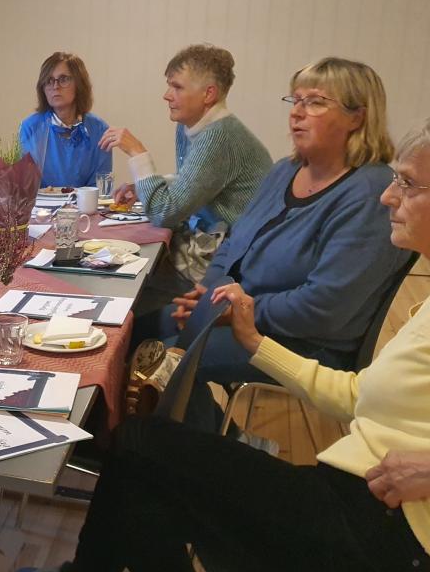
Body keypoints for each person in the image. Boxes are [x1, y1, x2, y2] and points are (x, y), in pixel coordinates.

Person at [12, 121, 430, 572]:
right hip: (353, 499)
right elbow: (359, 395)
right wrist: (256, 343)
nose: (387, 196)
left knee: (138, 448)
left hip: (393, 553)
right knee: (143, 485)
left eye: (407, 184)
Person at [159, 57, 412, 441]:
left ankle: (212, 456)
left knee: (165, 361)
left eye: (316, 102)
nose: (297, 112)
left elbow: (325, 309)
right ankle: (218, 439)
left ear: (357, 117)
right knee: (132, 332)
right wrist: (211, 296)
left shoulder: (369, 194)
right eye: (296, 100)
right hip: (238, 314)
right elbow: (233, 244)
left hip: (305, 343)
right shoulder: (284, 171)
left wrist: (236, 311)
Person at [100, 44, 271, 292]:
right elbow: (190, 180)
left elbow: (164, 213)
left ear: (208, 94)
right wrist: (147, 186)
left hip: (226, 262)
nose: (167, 95)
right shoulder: (190, 125)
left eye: (177, 87)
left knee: (120, 284)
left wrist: (138, 154)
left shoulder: (218, 136)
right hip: (207, 244)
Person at [18, 51, 111, 188]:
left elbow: (101, 188)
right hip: (41, 202)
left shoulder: (100, 130)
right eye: (49, 80)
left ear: (79, 84)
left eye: (63, 79)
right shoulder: (30, 128)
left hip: (87, 202)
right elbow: (25, 188)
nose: (55, 86)